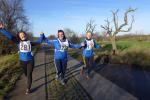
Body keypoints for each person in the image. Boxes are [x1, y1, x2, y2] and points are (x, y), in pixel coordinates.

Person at [0, 22, 44, 94]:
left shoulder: (30, 42)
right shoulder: (18, 42)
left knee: (29, 74)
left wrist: (42, 35)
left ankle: (28, 88)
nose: (22, 35)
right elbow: (9, 36)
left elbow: (39, 42)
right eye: (21, 35)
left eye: (23, 34)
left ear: (25, 35)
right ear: (19, 37)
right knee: (26, 73)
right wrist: (2, 29)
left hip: (30, 60)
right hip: (22, 61)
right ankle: (28, 78)